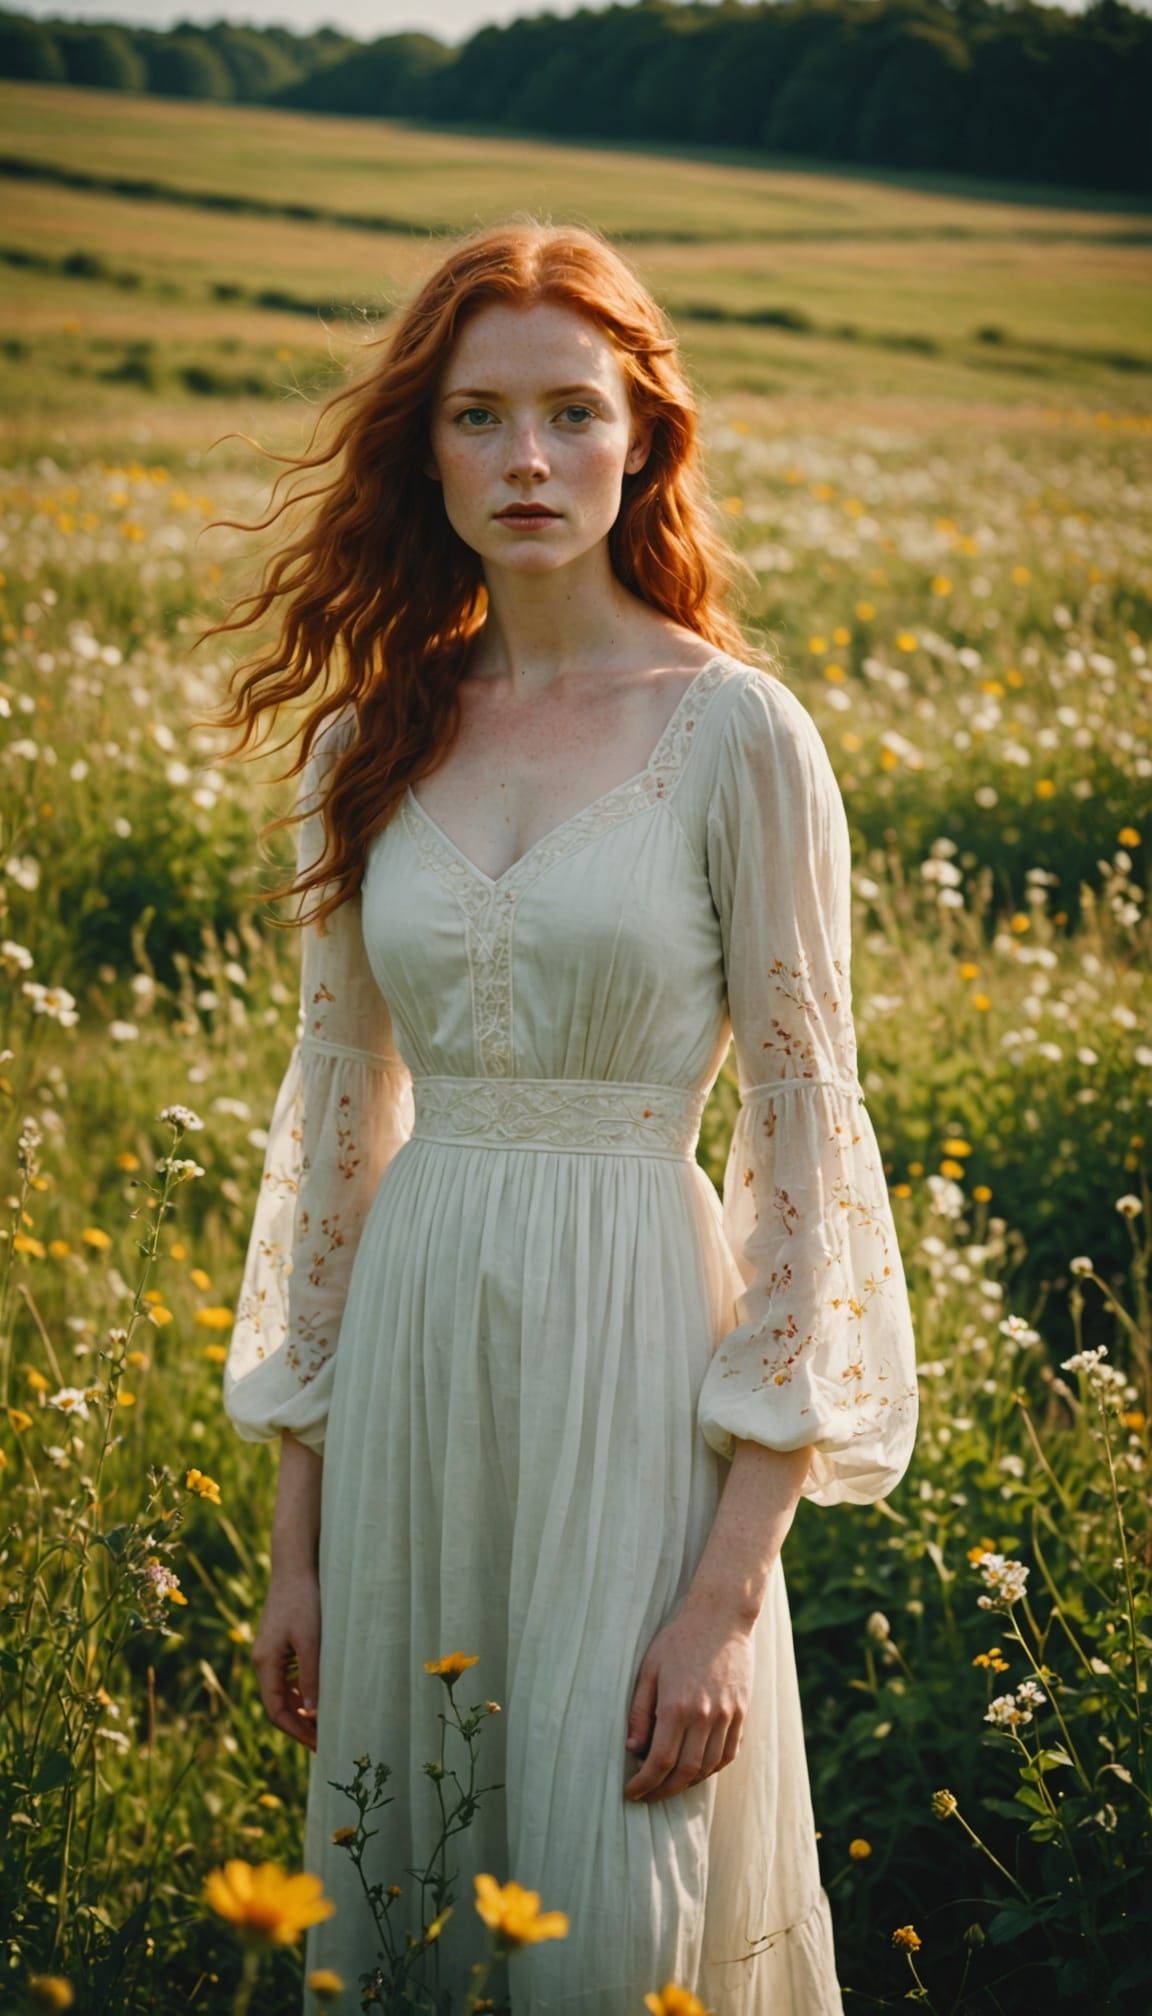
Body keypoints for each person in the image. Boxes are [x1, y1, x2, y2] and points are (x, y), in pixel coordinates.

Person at [213, 217, 919, 2015]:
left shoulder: (740, 732)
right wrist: (298, 1550)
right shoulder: (361, 743)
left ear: (641, 439)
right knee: (419, 1876)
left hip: (632, 1340)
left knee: (618, 1884)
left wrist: (723, 1598)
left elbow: (803, 1160)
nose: (527, 462)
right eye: (476, 418)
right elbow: (339, 1132)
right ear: (423, 445)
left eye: (571, 415)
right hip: (416, 1360)